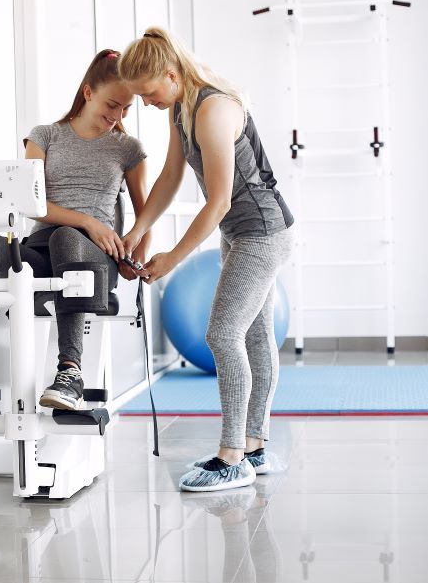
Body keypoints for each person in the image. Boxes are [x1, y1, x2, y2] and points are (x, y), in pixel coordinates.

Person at [0, 49, 150, 412]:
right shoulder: (45, 136)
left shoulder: (128, 149)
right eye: (112, 104)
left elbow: (145, 215)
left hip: (95, 258)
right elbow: (31, 204)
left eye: (126, 109)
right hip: (43, 247)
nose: (118, 116)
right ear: (88, 92)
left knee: (67, 238)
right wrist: (86, 220)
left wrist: (133, 257)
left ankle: (70, 373)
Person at [118, 27, 296, 492]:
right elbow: (171, 178)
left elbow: (216, 201)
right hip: (241, 231)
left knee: (222, 333)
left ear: (172, 75)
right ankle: (255, 448)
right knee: (255, 335)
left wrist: (172, 258)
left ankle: (233, 455)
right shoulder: (181, 107)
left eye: (148, 92)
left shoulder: (215, 109)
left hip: (262, 231)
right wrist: (137, 229)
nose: (145, 102)